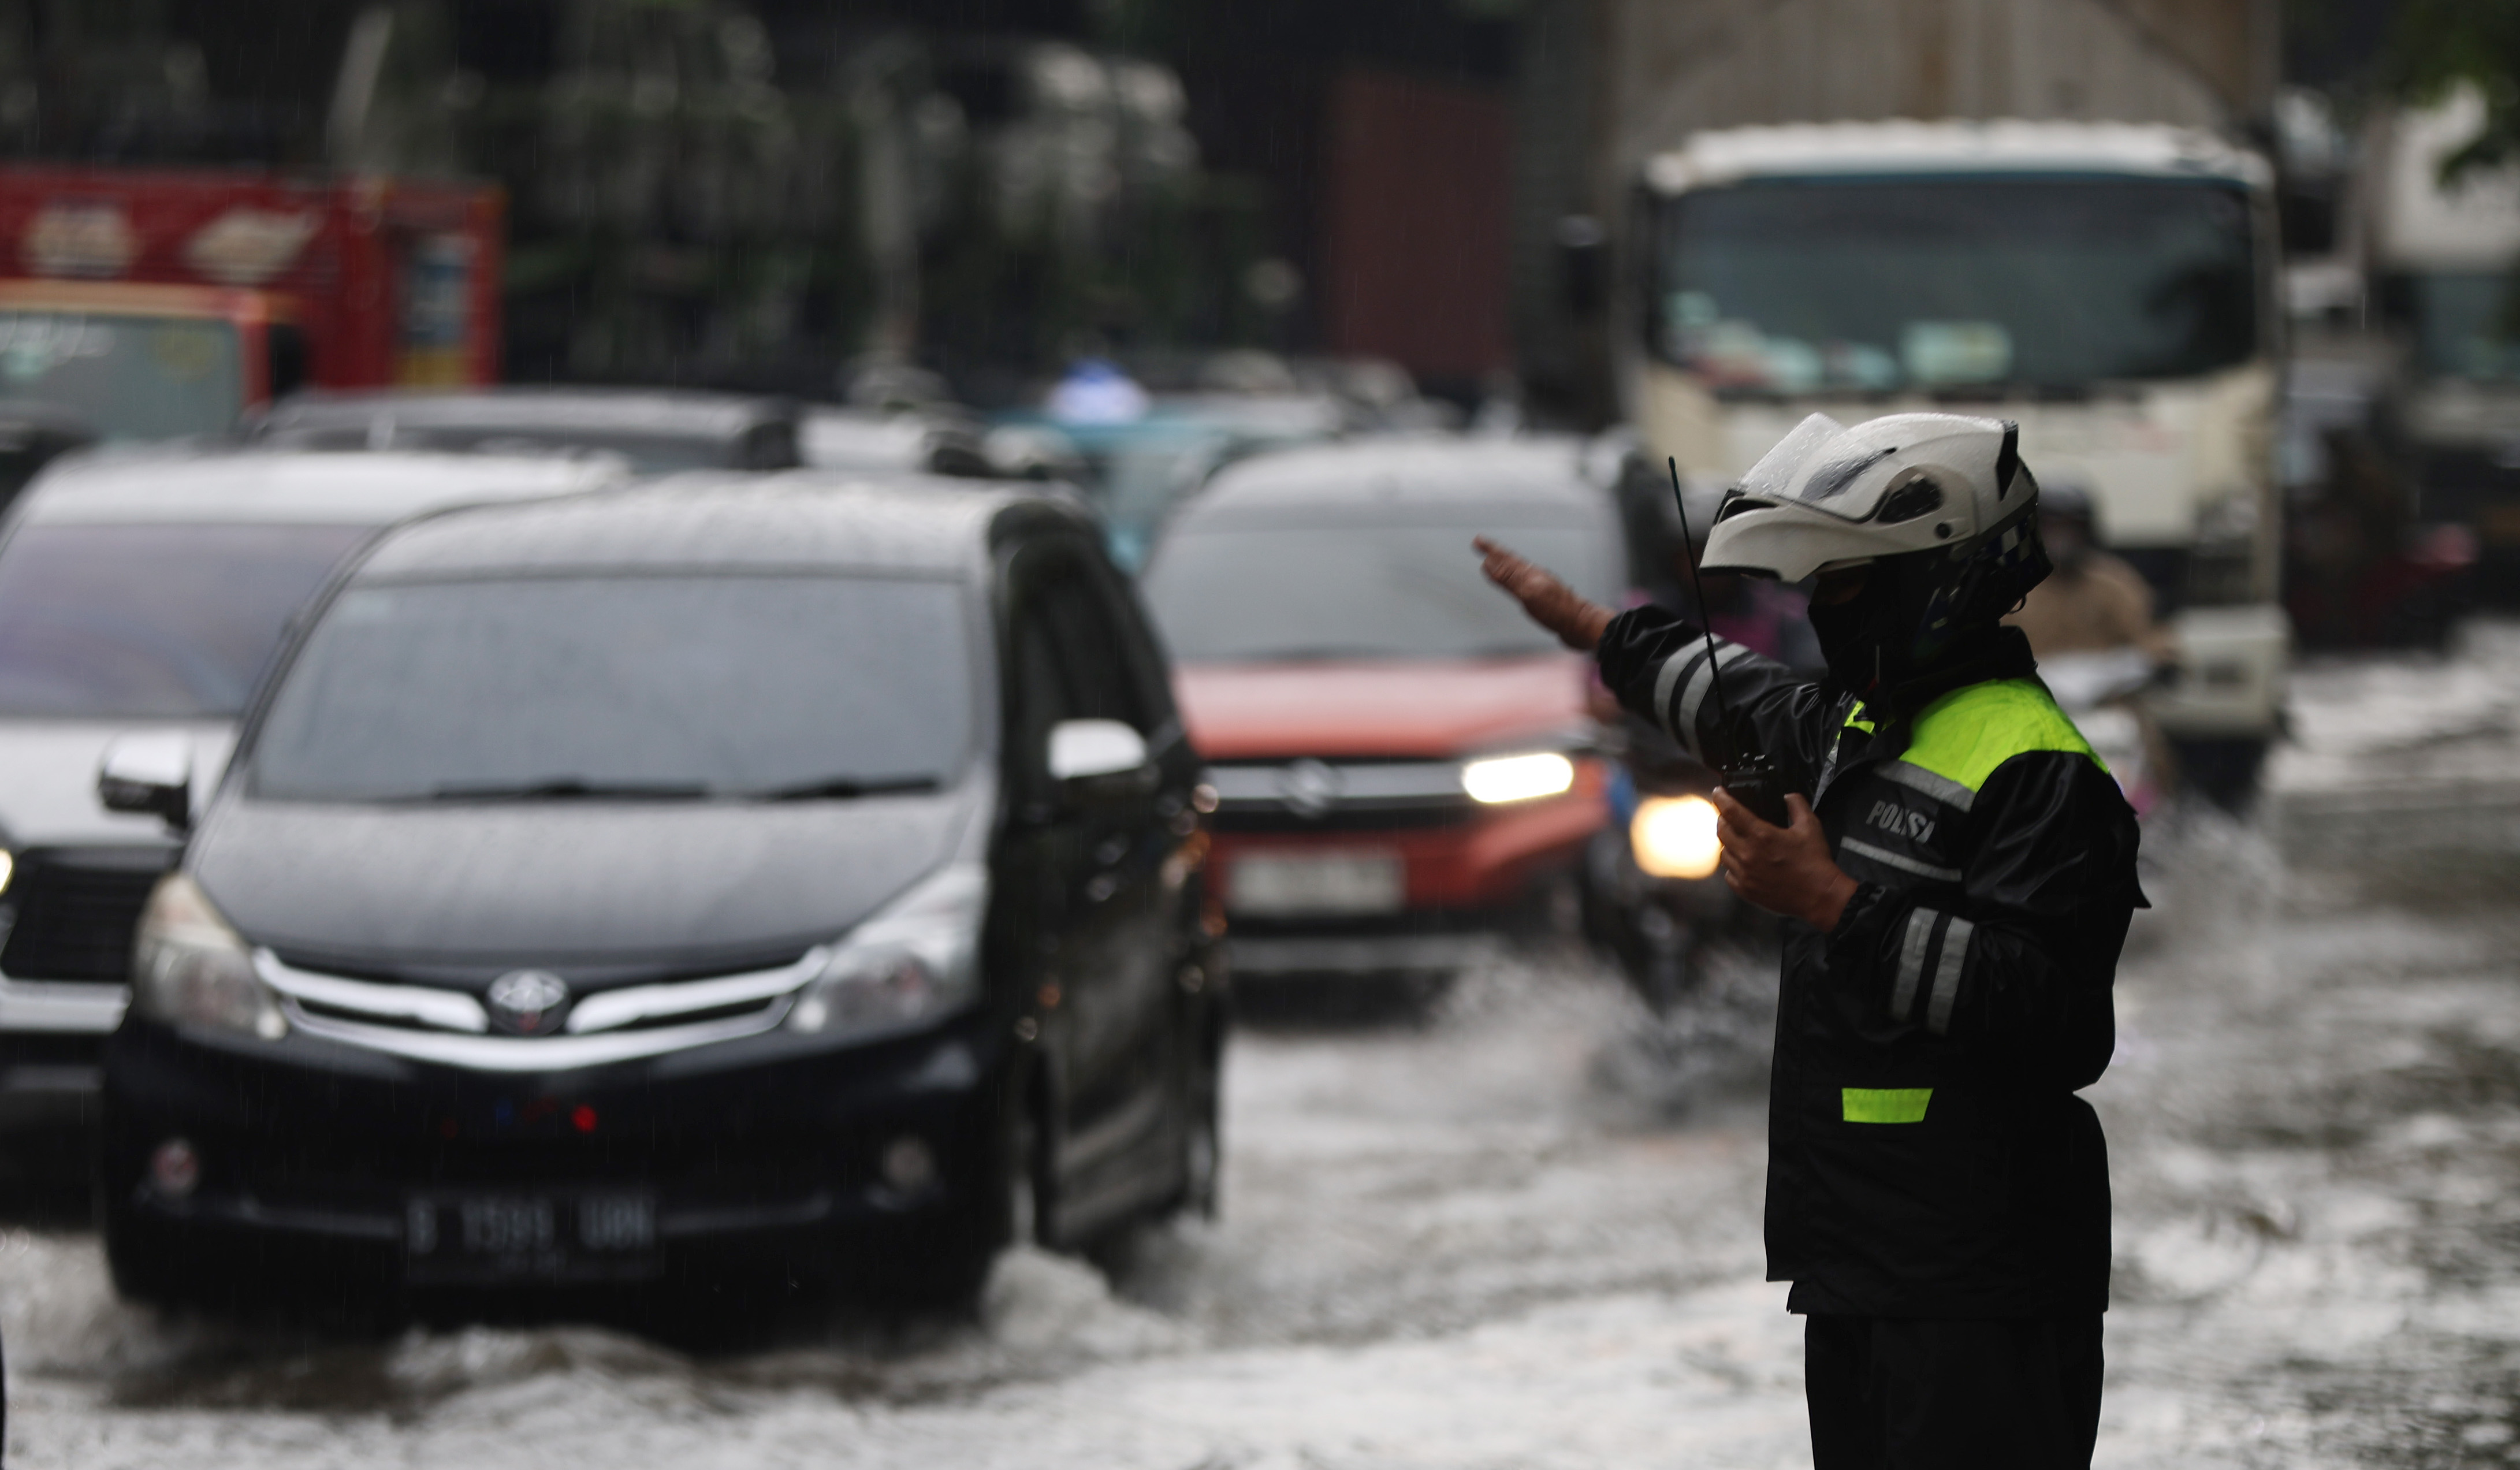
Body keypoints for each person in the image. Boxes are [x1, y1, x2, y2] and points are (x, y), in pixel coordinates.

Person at [1476, 411, 2143, 1469]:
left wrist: (1834, 904)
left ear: (1935, 579)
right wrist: (1591, 628)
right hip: (1859, 1257)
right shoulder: (1853, 722)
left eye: (1842, 582)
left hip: (1979, 1273)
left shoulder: (2037, 769)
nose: (1816, 606)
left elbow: (2056, 1021)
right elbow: (1724, 692)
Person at [2002, 479, 2173, 661]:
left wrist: (2160, 654)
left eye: (2070, 527)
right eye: (2052, 527)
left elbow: (2148, 634)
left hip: (2106, 687)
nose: (2062, 539)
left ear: (2087, 530)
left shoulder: (2112, 583)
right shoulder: (2010, 586)